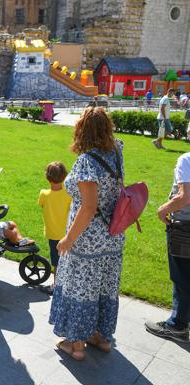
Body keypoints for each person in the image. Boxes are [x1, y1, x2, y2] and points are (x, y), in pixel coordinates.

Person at [49, 107, 126, 361]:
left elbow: (89, 206)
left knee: (81, 290)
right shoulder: (116, 151)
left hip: (88, 239)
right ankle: (101, 337)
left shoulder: (86, 162)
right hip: (113, 235)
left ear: (82, 129)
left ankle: (77, 345)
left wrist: (68, 239)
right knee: (104, 287)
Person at [144, 153, 190, 342]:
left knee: (182, 278)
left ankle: (177, 325)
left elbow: (185, 196)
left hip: (185, 229)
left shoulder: (186, 160)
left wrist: (163, 209)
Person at [38, 162, 72, 295]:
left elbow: (41, 205)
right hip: (67, 234)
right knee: (67, 259)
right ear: (64, 176)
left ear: (47, 178)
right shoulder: (69, 194)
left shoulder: (44, 194)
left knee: (56, 262)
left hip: (53, 234)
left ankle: (57, 286)